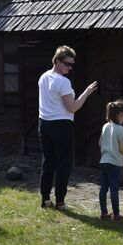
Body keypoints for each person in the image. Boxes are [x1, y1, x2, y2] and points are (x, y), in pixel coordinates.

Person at [38, 46, 98, 211]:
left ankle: (45, 199)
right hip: (61, 126)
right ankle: (60, 202)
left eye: (72, 65)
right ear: (57, 61)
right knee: (64, 164)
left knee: (48, 161)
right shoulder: (62, 82)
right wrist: (86, 93)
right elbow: (72, 108)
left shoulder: (44, 77)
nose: (69, 68)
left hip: (44, 123)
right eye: (66, 64)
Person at [99, 100, 123, 221]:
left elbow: (100, 143)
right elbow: (122, 149)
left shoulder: (105, 126)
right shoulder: (121, 130)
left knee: (103, 188)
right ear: (120, 115)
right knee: (114, 189)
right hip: (115, 163)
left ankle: (104, 213)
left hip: (104, 161)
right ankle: (117, 214)